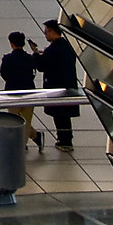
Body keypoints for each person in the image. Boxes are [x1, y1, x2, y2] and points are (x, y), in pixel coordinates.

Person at [37, 20, 81, 150]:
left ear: (51, 31)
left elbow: (42, 66)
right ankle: (67, 139)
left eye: (46, 32)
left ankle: (64, 141)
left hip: (56, 88)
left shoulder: (53, 49)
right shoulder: (67, 46)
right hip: (69, 86)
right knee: (65, 116)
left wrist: (36, 55)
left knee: (59, 115)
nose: (45, 35)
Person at [0, 31, 42, 149]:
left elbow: (4, 73)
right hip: (29, 92)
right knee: (26, 121)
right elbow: (33, 73)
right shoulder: (30, 59)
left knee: (13, 119)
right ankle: (30, 138)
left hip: (12, 92)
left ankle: (19, 145)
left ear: (11, 44)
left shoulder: (7, 59)